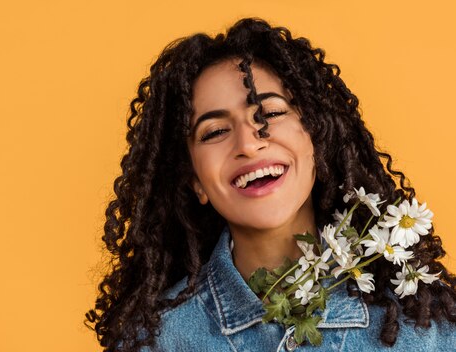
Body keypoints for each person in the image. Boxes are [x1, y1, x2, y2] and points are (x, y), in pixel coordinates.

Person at [86, 18, 456, 351]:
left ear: (318, 137)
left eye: (271, 113)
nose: (248, 144)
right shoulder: (153, 342)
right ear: (195, 181)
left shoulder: (429, 332)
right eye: (214, 131)